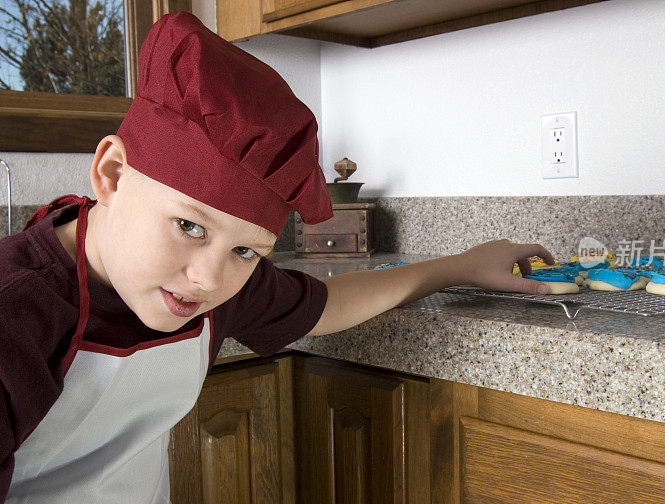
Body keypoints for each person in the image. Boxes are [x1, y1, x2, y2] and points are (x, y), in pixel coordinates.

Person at [0, 11, 553, 503]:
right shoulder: (13, 314)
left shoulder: (207, 284)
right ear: (112, 174)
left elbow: (326, 302)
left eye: (246, 250)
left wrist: (458, 266)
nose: (210, 279)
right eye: (189, 225)